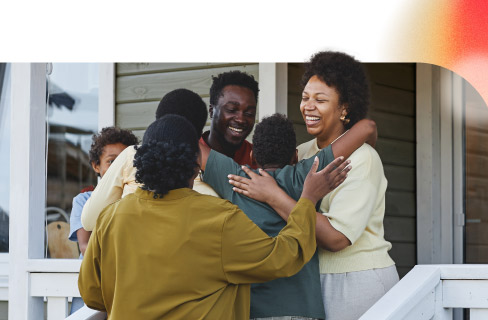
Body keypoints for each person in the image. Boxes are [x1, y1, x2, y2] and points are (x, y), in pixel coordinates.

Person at [78, 114, 348, 319]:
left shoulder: (111, 218)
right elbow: (283, 257)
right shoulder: (219, 218)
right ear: (195, 166)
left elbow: (91, 292)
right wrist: (307, 200)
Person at [227, 51, 399, 319]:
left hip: (356, 280)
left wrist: (273, 196)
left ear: (345, 108)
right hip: (313, 279)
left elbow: (336, 238)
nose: (308, 106)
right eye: (306, 97)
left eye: (320, 100)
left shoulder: (364, 159)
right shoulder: (301, 152)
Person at [200, 113, 377, 320]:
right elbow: (367, 126)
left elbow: (190, 148)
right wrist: (369, 149)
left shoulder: (238, 179)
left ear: (252, 157)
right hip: (304, 310)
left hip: (254, 311)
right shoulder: (308, 175)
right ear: (295, 156)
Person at [80, 88, 218, 231]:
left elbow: (90, 220)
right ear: (198, 135)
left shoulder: (131, 155)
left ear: (156, 124)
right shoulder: (214, 180)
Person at [67, 126, 138, 314]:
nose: (118, 168)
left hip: (127, 285)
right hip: (93, 283)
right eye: (112, 162)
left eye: (124, 161)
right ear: (96, 166)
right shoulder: (83, 200)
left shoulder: (136, 199)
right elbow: (85, 245)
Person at [201, 70, 259, 168]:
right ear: (211, 111)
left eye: (249, 113)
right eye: (231, 110)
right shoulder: (189, 154)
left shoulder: (258, 160)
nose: (240, 119)